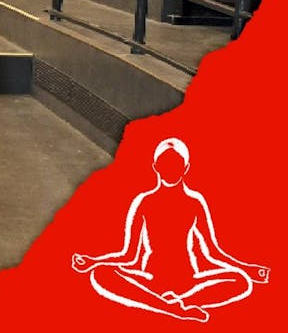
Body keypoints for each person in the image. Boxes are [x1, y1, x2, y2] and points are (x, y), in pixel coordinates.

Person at [72, 138, 270, 322]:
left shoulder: (194, 204)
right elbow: (130, 255)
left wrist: (248, 270)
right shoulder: (145, 202)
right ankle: (172, 308)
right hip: (152, 278)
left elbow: (212, 252)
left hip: (187, 281)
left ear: (185, 168)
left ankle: (174, 304)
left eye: (175, 164)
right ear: (156, 167)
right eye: (165, 164)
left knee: (241, 281)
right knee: (101, 274)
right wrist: (93, 262)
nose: (170, 170)